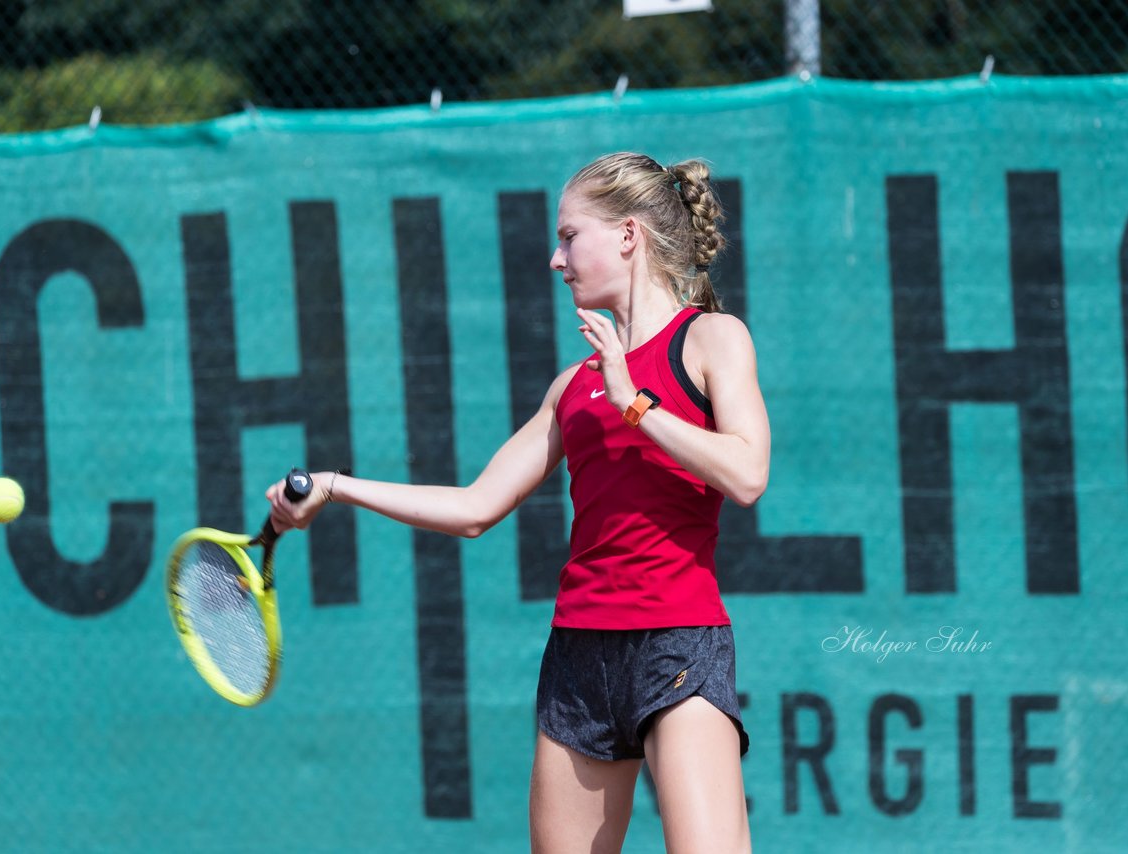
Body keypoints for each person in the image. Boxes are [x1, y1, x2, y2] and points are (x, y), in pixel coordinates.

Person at [267, 151, 769, 854]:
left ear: (627, 235)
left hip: (677, 647)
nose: (555, 259)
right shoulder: (573, 388)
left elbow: (747, 474)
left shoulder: (712, 339)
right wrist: (335, 485)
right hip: (578, 657)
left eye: (569, 236)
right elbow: (476, 506)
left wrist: (636, 406)